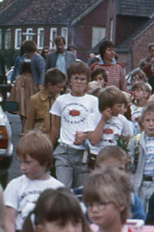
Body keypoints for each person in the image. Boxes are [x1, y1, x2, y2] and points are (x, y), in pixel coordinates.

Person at [4, 131, 63, 232]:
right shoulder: (15, 185)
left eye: (28, 162)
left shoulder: (58, 188)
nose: (22, 167)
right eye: (20, 161)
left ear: (45, 162)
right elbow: (8, 221)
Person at [50, 60, 99, 188]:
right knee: (63, 189)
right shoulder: (61, 100)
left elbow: (97, 127)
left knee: (80, 192)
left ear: (87, 81)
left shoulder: (93, 101)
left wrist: (86, 135)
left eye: (82, 79)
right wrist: (49, 148)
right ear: (69, 80)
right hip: (64, 150)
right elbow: (55, 126)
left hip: (83, 153)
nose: (79, 82)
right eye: (75, 78)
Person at [88, 86, 133, 165]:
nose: (122, 109)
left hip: (115, 158)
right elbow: (94, 141)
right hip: (97, 156)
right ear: (108, 107)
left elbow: (128, 137)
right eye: (119, 106)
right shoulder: (93, 117)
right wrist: (103, 120)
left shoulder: (121, 119)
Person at [26, 68, 66, 135]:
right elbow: (29, 123)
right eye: (59, 87)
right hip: (40, 138)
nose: (62, 89)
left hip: (57, 138)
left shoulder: (60, 99)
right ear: (49, 85)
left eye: (63, 87)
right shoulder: (35, 99)